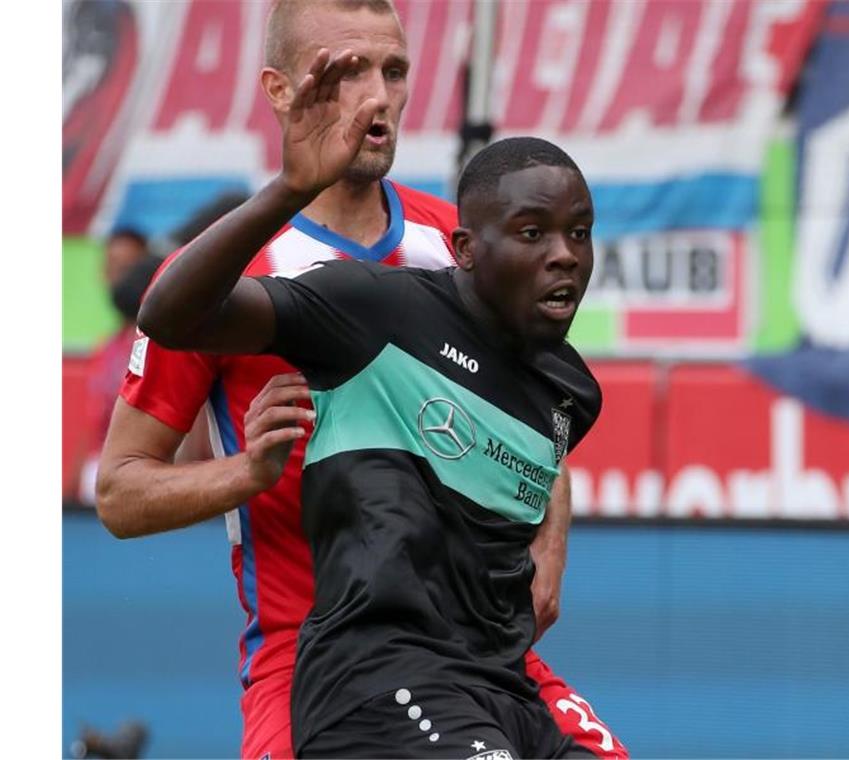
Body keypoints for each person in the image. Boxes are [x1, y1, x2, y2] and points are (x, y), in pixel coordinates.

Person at [95, 1, 624, 758]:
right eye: (348, 72)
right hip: (317, 658)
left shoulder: (463, 240)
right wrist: (245, 472)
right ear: (281, 90)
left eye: (394, 69)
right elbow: (119, 493)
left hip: (479, 649)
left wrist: (552, 536)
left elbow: (534, 403)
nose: (378, 97)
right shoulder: (224, 275)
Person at [68, 229, 159, 506]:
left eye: (128, 268)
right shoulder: (105, 347)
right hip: (95, 478)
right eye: (113, 268)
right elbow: (94, 421)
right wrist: (71, 490)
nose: (120, 278)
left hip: (139, 476)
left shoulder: (162, 343)